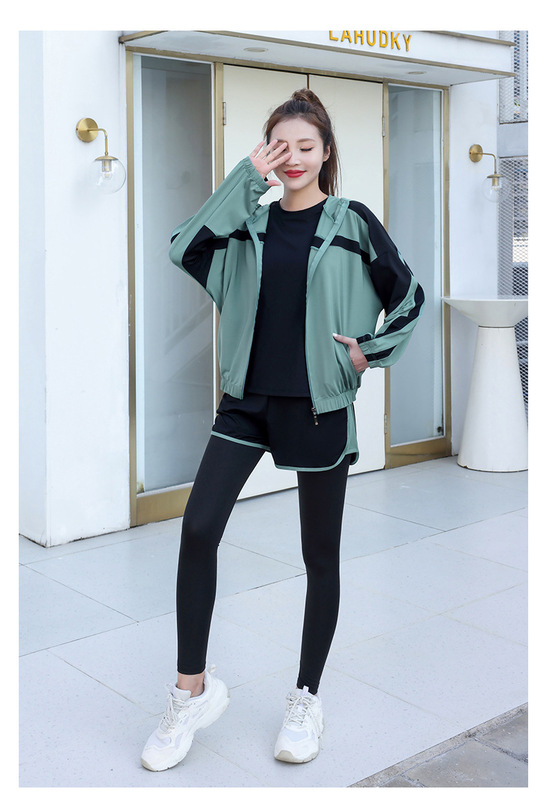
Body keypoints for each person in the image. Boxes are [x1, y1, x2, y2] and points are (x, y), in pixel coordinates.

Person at [141, 88, 424, 772]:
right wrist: (246, 179)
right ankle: (190, 692)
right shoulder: (249, 224)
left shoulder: (351, 221)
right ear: (265, 154)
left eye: (305, 146)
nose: (292, 158)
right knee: (198, 529)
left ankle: (305, 699)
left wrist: (369, 351)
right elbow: (182, 247)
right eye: (279, 147)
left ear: (326, 152)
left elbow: (408, 296)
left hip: (317, 407)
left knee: (318, 558)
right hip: (246, 404)